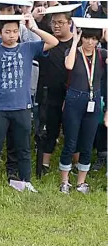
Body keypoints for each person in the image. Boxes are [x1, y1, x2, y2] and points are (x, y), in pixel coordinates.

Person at [0, 14, 58, 193]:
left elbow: (53, 42)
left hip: (21, 106)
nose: (12, 35)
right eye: (7, 32)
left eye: (15, 31)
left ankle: (26, 180)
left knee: (24, 147)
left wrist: (33, 28)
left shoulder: (27, 48)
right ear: (0, 32)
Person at [58, 27, 106, 194]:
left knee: (87, 143)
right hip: (74, 100)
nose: (90, 42)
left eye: (94, 39)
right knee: (71, 142)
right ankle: (64, 181)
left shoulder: (101, 54)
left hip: (93, 100)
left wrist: (106, 39)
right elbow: (69, 65)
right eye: (87, 38)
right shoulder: (73, 52)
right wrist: (75, 42)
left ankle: (81, 182)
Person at [36, 9, 75, 177]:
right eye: (54, 23)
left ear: (70, 23)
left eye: (61, 22)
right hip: (48, 93)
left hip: (72, 94)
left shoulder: (77, 43)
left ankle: (73, 163)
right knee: (49, 129)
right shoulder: (48, 42)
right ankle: (44, 163)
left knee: (71, 130)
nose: (57, 26)